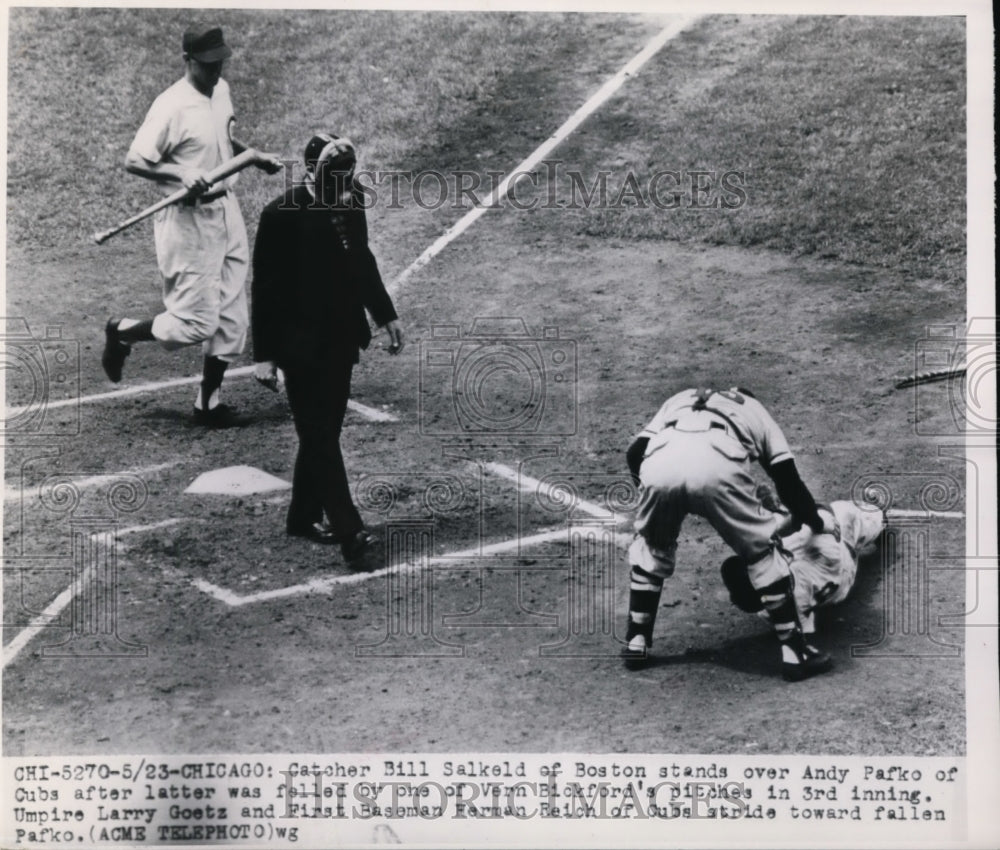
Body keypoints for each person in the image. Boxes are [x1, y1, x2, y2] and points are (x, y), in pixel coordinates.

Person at [101, 24, 283, 428]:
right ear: (188, 60)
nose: (215, 71)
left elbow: (220, 140)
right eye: (207, 65)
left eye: (220, 62)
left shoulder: (221, 91)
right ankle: (124, 331)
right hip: (188, 222)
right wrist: (182, 173)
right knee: (195, 323)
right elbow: (135, 159)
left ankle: (208, 402)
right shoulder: (170, 105)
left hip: (226, 210)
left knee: (233, 316)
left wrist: (252, 155)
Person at [250, 133, 404, 566]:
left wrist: (385, 314)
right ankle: (351, 532)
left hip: (341, 338)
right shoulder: (280, 215)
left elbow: (361, 260)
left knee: (323, 434)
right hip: (298, 345)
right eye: (335, 176)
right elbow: (265, 288)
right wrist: (265, 355)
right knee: (318, 433)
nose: (344, 184)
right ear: (312, 172)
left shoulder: (351, 201)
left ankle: (302, 515)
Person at [622, 386, 842, 681]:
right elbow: (788, 483)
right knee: (762, 553)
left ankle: (637, 642)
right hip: (718, 467)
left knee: (652, 545)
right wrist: (814, 521)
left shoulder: (680, 397)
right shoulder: (755, 409)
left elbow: (635, 453)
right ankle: (795, 653)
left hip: (660, 464)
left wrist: (654, 499)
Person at [720, 485, 886, 640]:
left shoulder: (770, 610)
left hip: (818, 579)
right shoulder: (813, 552)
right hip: (837, 560)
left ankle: (778, 513)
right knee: (850, 514)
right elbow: (812, 512)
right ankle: (878, 521)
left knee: (782, 534)